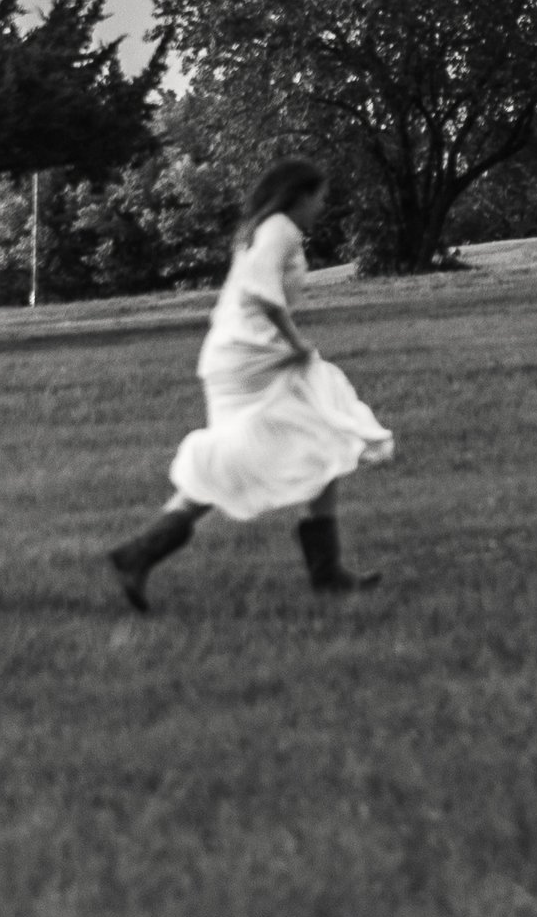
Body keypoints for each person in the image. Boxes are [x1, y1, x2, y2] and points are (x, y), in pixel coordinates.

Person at [106, 159, 394, 612]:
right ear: (300, 195)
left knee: (317, 429)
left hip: (243, 355)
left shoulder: (262, 228)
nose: (322, 207)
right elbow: (262, 294)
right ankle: (143, 551)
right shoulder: (279, 227)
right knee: (268, 442)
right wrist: (296, 342)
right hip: (252, 358)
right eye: (319, 197)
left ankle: (327, 573)